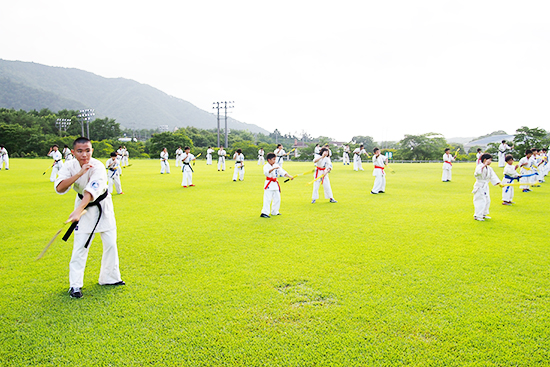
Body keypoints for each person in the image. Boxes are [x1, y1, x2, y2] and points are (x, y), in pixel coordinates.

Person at [54, 137, 124, 299]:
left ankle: (110, 278)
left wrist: (78, 210)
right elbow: (60, 187)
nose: (84, 154)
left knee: (110, 243)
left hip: (102, 206)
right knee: (80, 246)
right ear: (73, 152)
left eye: (88, 150)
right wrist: (79, 173)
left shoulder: (98, 166)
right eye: (80, 151)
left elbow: (91, 190)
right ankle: (75, 285)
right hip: (82, 206)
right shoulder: (69, 166)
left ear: (92, 150)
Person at [261, 153, 294, 218]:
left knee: (277, 199)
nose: (274, 161)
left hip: (275, 183)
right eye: (273, 159)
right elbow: (266, 173)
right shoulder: (266, 166)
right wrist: (273, 168)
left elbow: (282, 172)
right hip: (269, 183)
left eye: (275, 159)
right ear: (269, 160)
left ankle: (275, 211)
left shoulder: (276, 165)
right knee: (267, 199)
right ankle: (264, 213)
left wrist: (289, 176)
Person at [472, 153, 502, 221]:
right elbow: (477, 173)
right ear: (485, 160)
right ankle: (478, 215)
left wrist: (498, 183)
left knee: (487, 200)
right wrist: (484, 165)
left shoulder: (489, 168)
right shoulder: (479, 166)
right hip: (479, 185)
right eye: (490, 160)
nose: (490, 162)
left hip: (485, 185)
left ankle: (483, 214)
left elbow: (493, 176)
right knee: (480, 200)